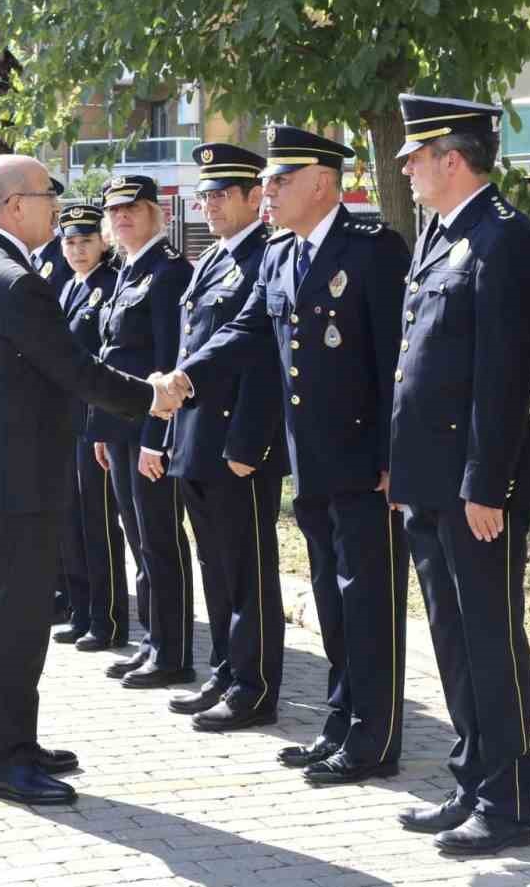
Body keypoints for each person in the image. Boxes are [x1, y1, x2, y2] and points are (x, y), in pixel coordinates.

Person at [0, 154, 183, 806]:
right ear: (17, 205)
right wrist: (150, 397)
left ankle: (6, 737)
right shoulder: (14, 281)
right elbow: (74, 369)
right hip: (19, 476)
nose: (57, 205)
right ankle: (2, 758)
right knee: (15, 620)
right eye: (49, 194)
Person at [167, 125, 412, 784]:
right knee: (334, 601)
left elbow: (395, 363)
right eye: (267, 181)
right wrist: (187, 376)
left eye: (280, 179)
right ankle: (341, 718)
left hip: (366, 465)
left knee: (368, 602)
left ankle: (375, 736)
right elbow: (248, 332)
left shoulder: (372, 251)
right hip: (313, 465)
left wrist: (396, 456)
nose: (267, 190)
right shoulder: (280, 256)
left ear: (323, 183)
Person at [386, 95, 530, 854]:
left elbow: (503, 377)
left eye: (416, 157)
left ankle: (509, 796)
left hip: (476, 483)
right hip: (429, 477)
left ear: (452, 159)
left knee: (489, 636)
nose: (408, 170)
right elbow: (416, 365)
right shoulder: (439, 234)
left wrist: (488, 482)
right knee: (451, 634)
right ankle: (473, 773)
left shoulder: (503, 237)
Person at [164, 143, 287, 732]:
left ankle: (254, 685)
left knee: (248, 573)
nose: (209, 205)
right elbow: (191, 349)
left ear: (250, 196)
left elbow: (266, 362)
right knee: (215, 565)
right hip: (195, 440)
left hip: (236, 446)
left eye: (220, 194)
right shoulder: (212, 258)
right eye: (203, 195)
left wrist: (250, 446)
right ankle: (224, 668)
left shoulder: (270, 256)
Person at [91, 174, 196, 689]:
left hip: (150, 430)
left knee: (160, 539)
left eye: (133, 208)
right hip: (121, 428)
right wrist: (103, 431)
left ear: (157, 213)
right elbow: (112, 356)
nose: (122, 217)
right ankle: (153, 639)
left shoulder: (169, 272)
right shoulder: (126, 270)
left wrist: (158, 438)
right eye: (114, 211)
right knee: (138, 537)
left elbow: (169, 362)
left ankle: (173, 651)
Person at [53, 203, 129, 648]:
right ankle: (82, 611)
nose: (77, 249)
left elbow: (105, 361)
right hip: (69, 422)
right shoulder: (70, 289)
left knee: (100, 525)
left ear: (102, 242)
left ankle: (109, 619)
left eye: (85, 240)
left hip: (96, 421)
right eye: (70, 241)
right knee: (73, 522)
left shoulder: (109, 286)